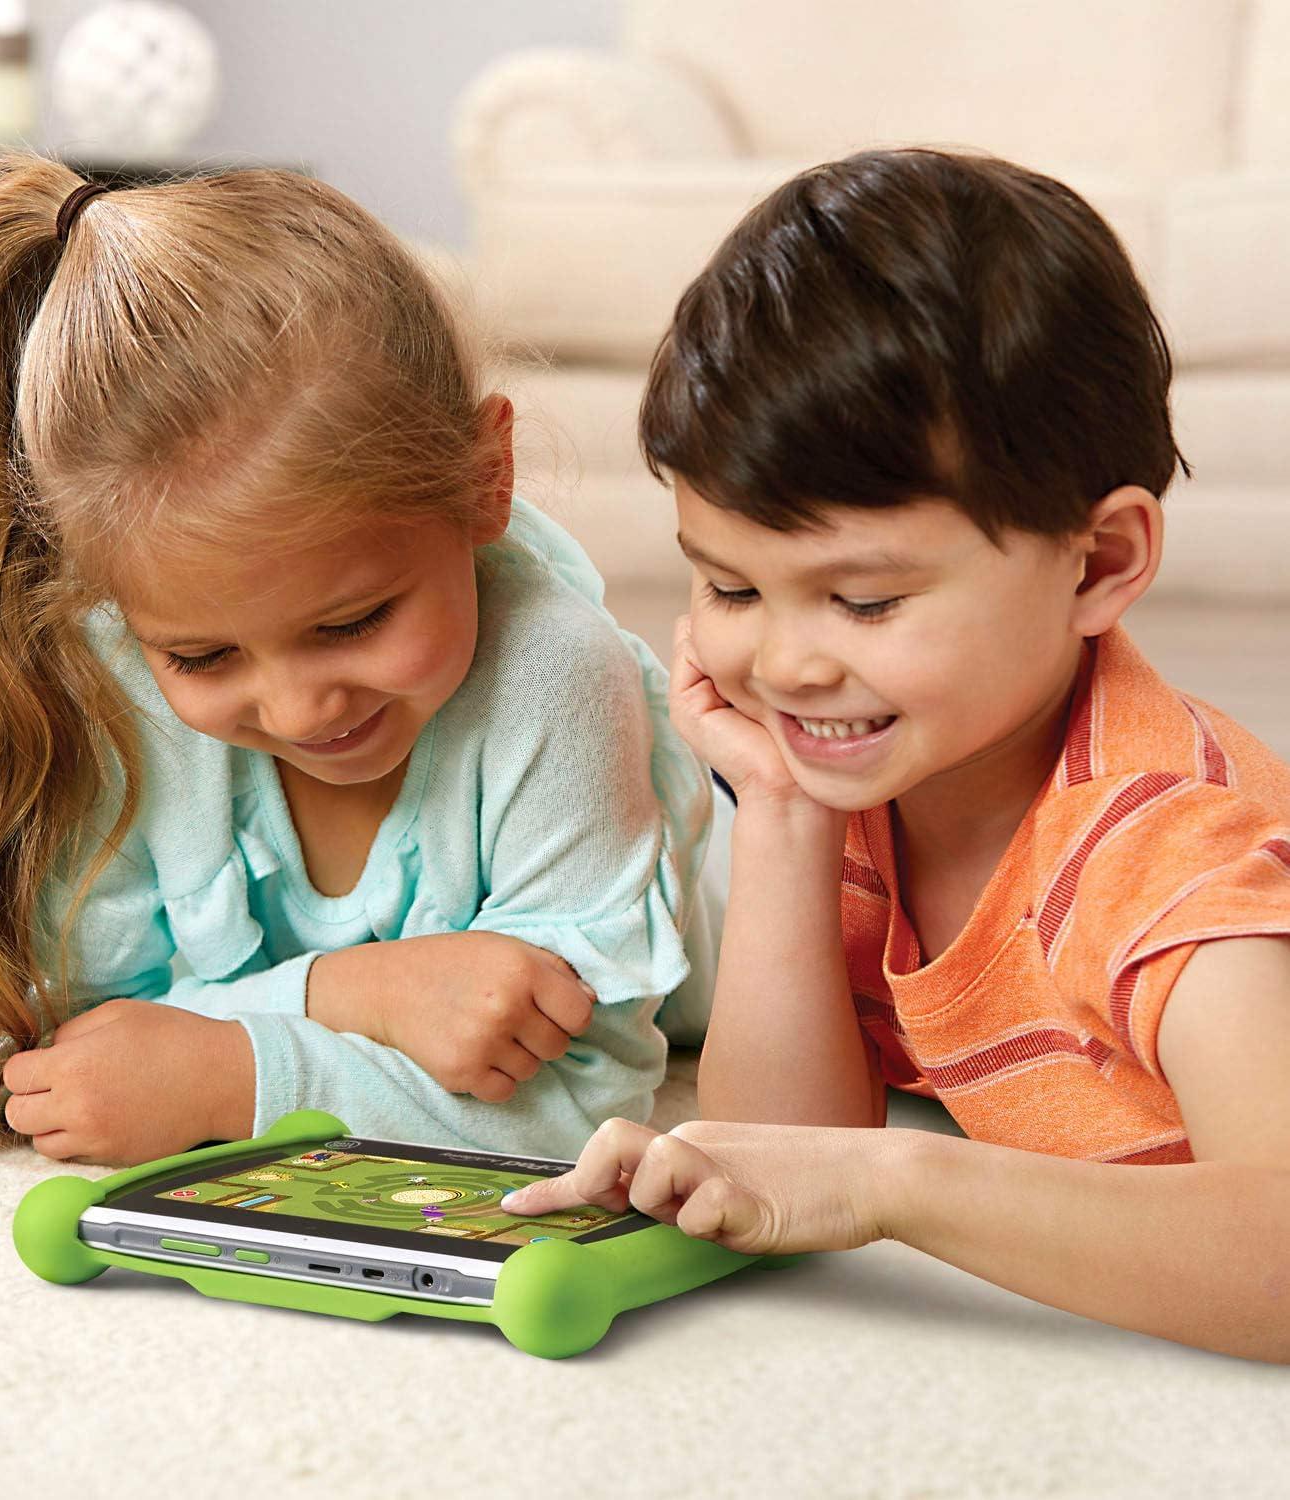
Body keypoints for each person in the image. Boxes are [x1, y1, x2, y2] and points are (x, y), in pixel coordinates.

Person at [499, 149, 1290, 1362]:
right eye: (731, 588)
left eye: (864, 601)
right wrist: (782, 814)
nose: (787, 665)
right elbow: (781, 1163)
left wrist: (901, 1185)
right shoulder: (880, 776)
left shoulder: (1175, 853)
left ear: (1100, 562)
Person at [0, 156, 717, 1167]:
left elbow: (586, 1101)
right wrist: (358, 992)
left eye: (352, 623)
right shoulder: (112, 679)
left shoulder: (557, 671)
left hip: (710, 920)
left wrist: (231, 1077)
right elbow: (84, 1049)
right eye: (202, 656)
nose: (298, 707)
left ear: (487, 479)